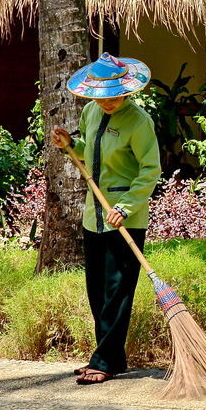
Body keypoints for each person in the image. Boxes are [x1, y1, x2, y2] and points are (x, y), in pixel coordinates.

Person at [53, 52, 161, 385]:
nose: (109, 102)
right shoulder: (90, 112)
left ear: (127, 91)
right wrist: (71, 143)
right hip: (94, 213)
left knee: (118, 290)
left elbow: (150, 169)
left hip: (125, 216)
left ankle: (102, 361)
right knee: (98, 290)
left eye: (114, 96)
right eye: (103, 96)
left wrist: (126, 206)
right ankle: (110, 357)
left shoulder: (139, 121)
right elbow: (88, 148)